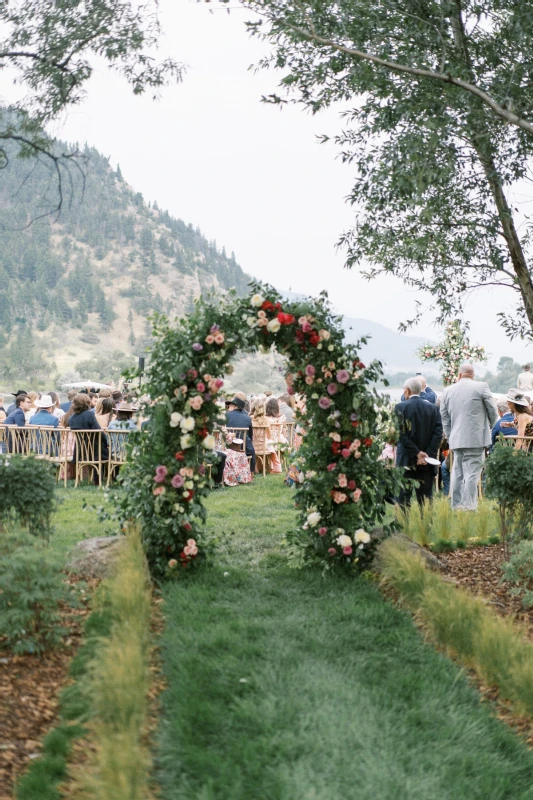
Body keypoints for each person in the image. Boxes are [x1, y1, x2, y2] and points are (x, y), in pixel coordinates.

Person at [440, 363, 498, 510]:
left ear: (459, 375)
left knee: (457, 471)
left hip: (456, 438)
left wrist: (449, 434)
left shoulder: (447, 390)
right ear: (473, 375)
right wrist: (491, 427)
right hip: (476, 437)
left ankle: (456, 504)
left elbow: (444, 417)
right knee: (472, 472)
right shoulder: (481, 387)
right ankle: (468, 505)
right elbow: (492, 410)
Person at [395, 376, 443, 506]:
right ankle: (426, 525)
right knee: (426, 499)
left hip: (406, 459)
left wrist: (416, 453)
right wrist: (426, 454)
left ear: (407, 390)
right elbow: (438, 433)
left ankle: (402, 525)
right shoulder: (433, 409)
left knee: (403, 498)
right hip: (427, 461)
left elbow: (400, 434)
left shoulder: (400, 408)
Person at [67, 393, 109, 485]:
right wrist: (106, 443)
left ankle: (95, 479)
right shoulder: (89, 414)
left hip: (80, 452)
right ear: (87, 403)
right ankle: (100, 480)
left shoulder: (71, 419)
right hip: (94, 451)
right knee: (108, 454)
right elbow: (99, 431)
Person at [225, 396, 255, 471]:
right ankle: (251, 471)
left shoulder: (225, 415)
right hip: (244, 448)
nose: (228, 407)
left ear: (235, 406)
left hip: (228, 446)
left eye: (230, 405)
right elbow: (250, 435)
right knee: (250, 444)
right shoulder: (248, 418)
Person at [264, 396, 287, 474]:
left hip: (268, 442)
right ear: (277, 407)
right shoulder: (282, 417)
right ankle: (281, 462)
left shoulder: (265, 418)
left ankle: (267, 465)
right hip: (279, 442)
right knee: (283, 439)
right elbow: (284, 430)